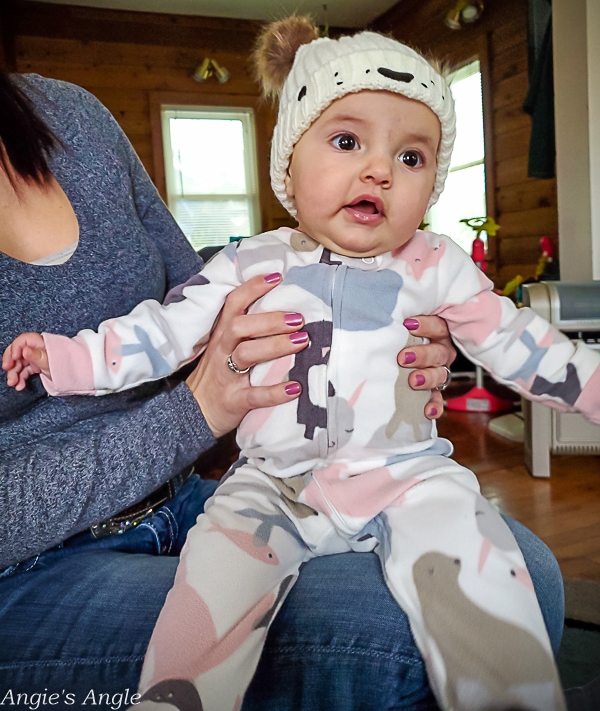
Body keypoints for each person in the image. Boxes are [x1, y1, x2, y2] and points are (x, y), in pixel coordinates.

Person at [0, 40, 569, 711]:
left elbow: (180, 304)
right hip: (40, 560)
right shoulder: (249, 263)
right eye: (347, 142)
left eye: (409, 157)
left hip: (186, 497)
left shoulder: (71, 115)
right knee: (391, 638)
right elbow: (158, 340)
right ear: (289, 164)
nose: (380, 171)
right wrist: (111, 377)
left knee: (527, 574)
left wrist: (368, 314)